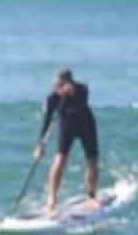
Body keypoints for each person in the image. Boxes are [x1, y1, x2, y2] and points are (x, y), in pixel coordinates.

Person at [33, 68, 100, 212]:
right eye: (58, 84)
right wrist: (40, 145)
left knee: (92, 161)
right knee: (60, 158)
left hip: (86, 125)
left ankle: (92, 195)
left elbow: (81, 104)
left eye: (63, 83)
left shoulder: (82, 89)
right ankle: (51, 198)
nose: (59, 87)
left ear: (70, 81)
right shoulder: (52, 98)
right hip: (67, 127)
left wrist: (70, 94)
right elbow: (47, 122)